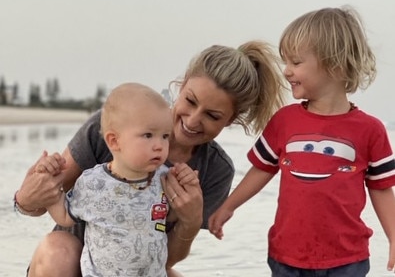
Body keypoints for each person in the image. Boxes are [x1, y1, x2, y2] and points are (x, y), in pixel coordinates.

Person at [15, 40, 286, 277]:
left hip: (142, 269)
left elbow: (167, 259)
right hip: (73, 265)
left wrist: (190, 220)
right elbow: (44, 201)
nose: (192, 121)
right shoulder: (115, 127)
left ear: (231, 121)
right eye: (190, 101)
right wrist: (25, 198)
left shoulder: (215, 169)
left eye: (212, 116)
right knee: (58, 249)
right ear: (181, 85)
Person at [209, 6, 395, 276]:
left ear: (335, 64)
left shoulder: (370, 130)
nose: (286, 71)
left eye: (296, 62)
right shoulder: (285, 121)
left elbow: (381, 189)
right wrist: (228, 206)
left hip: (346, 260)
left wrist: (393, 237)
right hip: (287, 257)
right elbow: (262, 169)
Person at [33, 83, 197, 276]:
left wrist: (186, 189)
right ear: (114, 141)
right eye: (148, 135)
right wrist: (49, 184)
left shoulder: (164, 178)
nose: (159, 146)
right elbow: (64, 216)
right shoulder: (94, 183)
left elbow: (168, 217)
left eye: (164, 136)